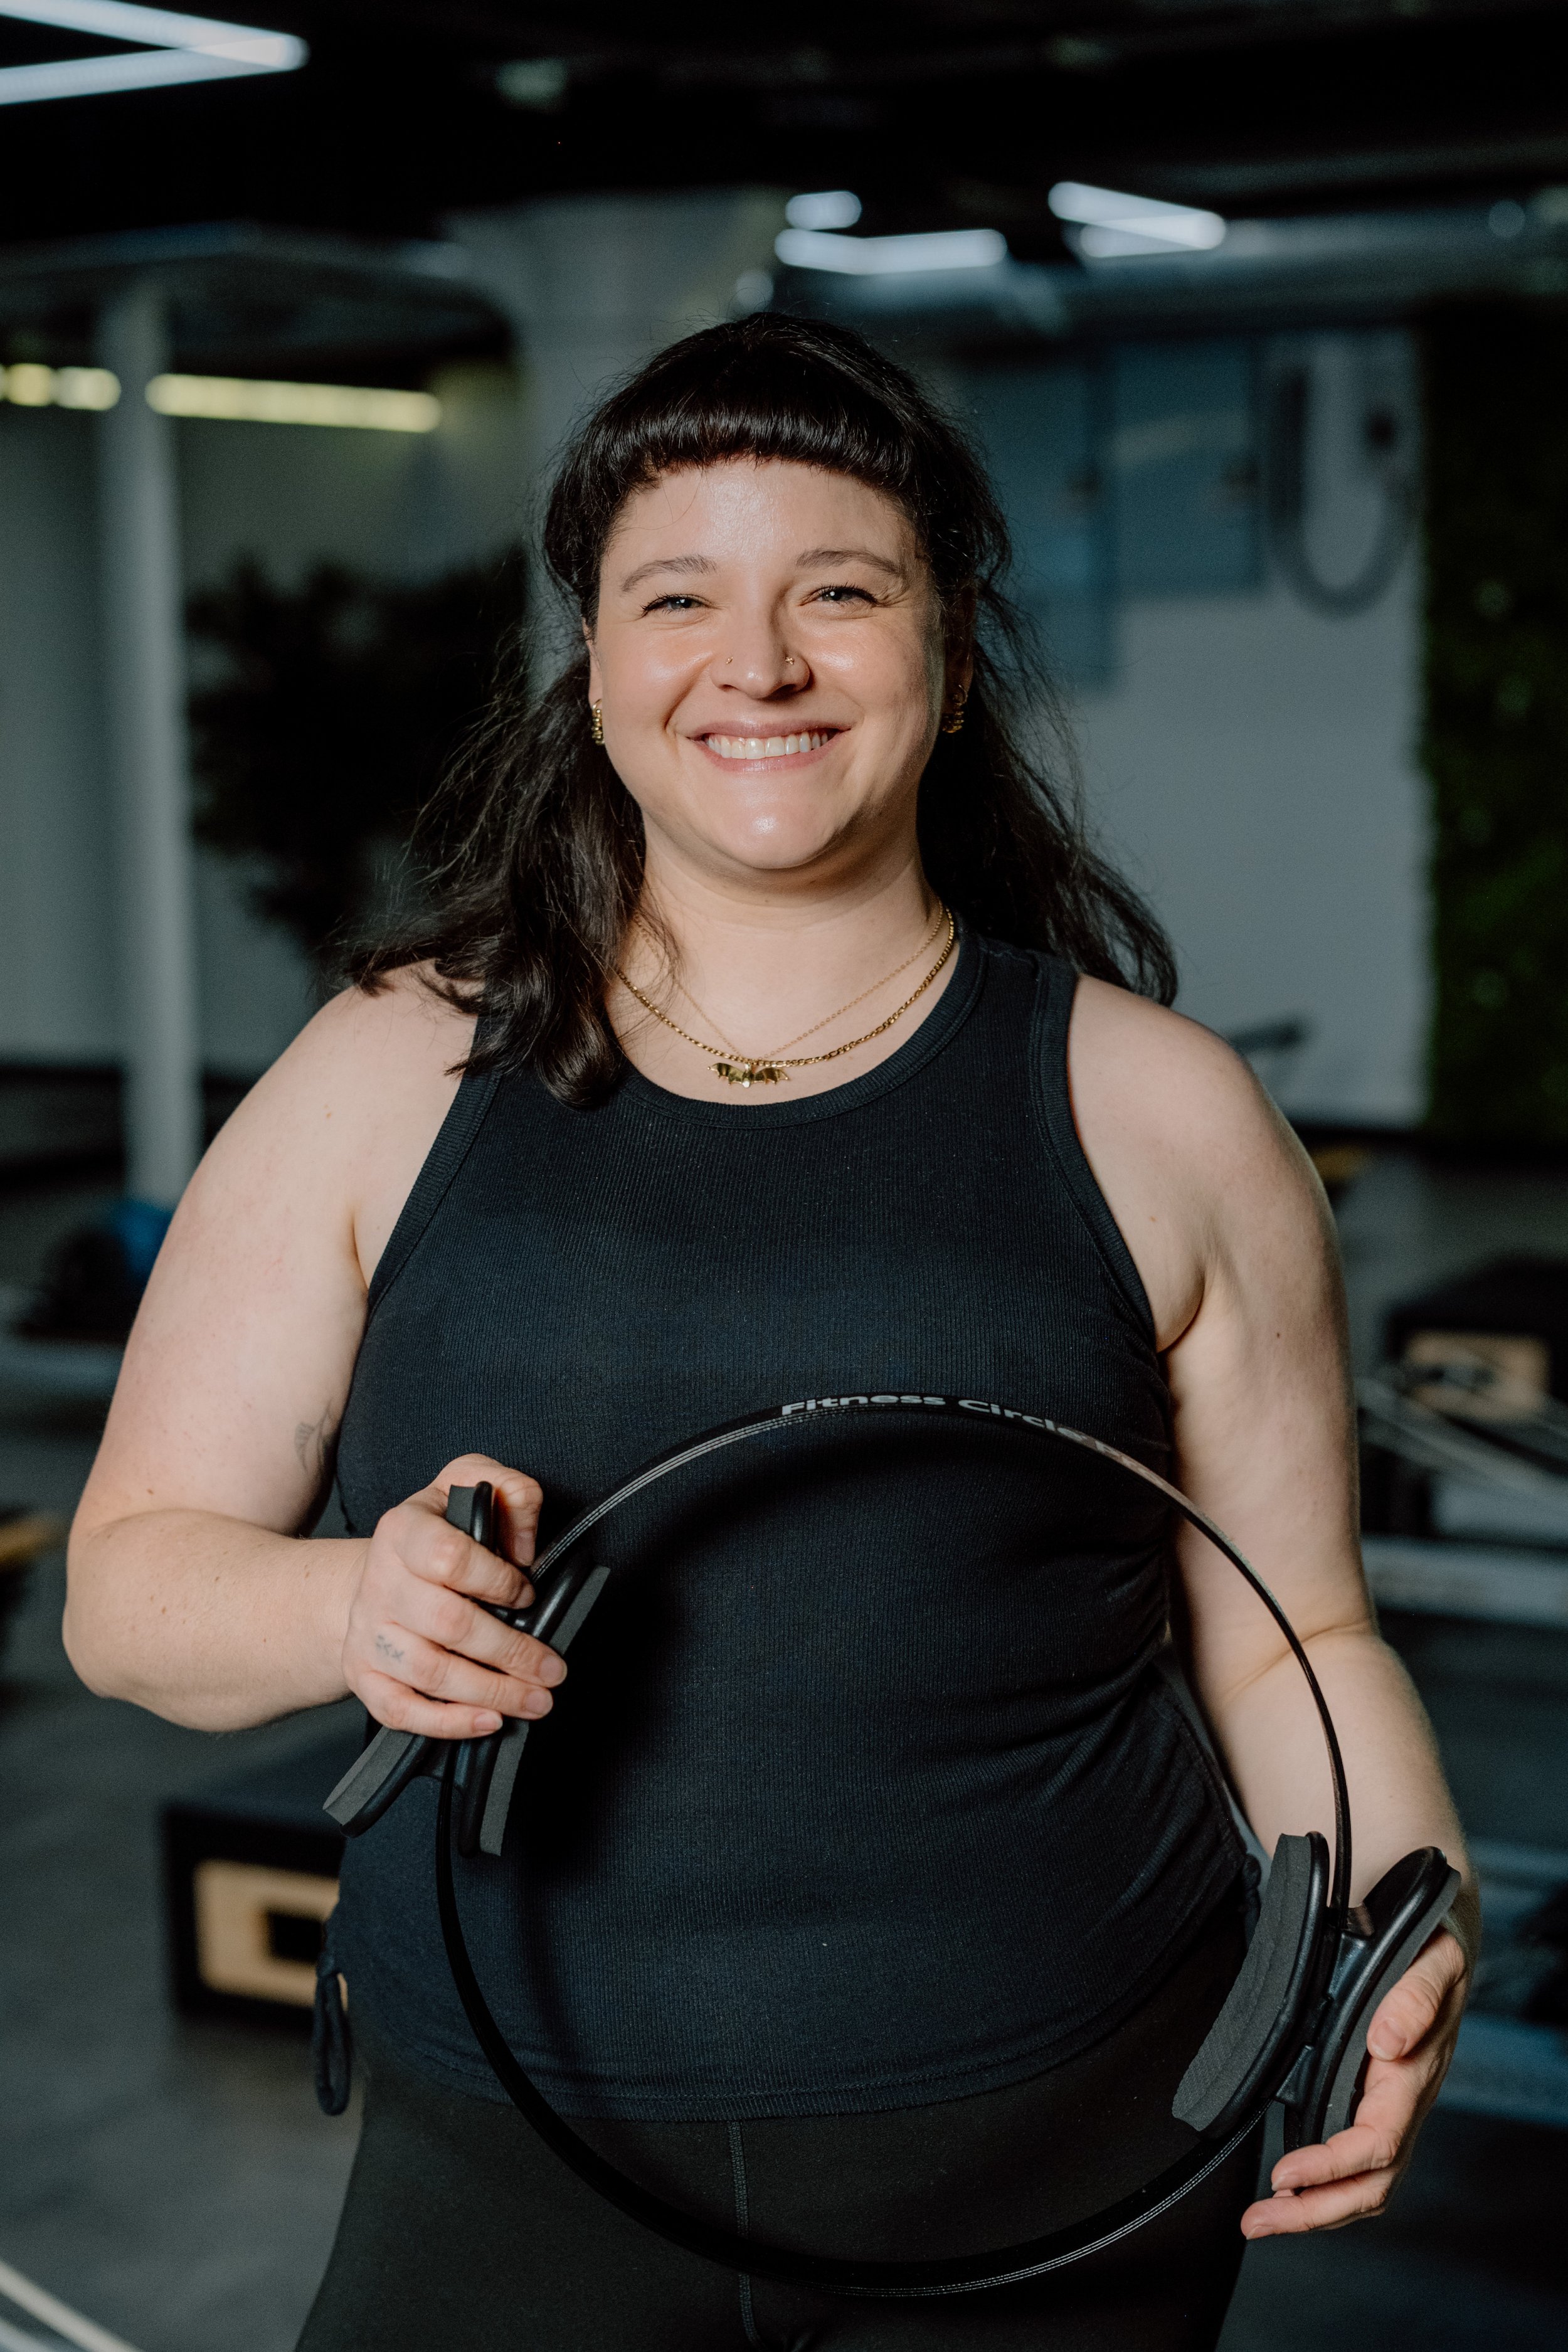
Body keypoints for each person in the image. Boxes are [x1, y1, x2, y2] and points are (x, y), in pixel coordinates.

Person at [65, 315, 1475, 2352]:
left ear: (951, 647)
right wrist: (345, 1615)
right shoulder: (387, 1073)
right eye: (678, 600)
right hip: (511, 2146)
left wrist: (1405, 1922)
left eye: (838, 591)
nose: (759, 664)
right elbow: (123, 1594)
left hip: (1061, 2144)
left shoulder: (1158, 1109)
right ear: (597, 666)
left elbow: (1293, 1635)